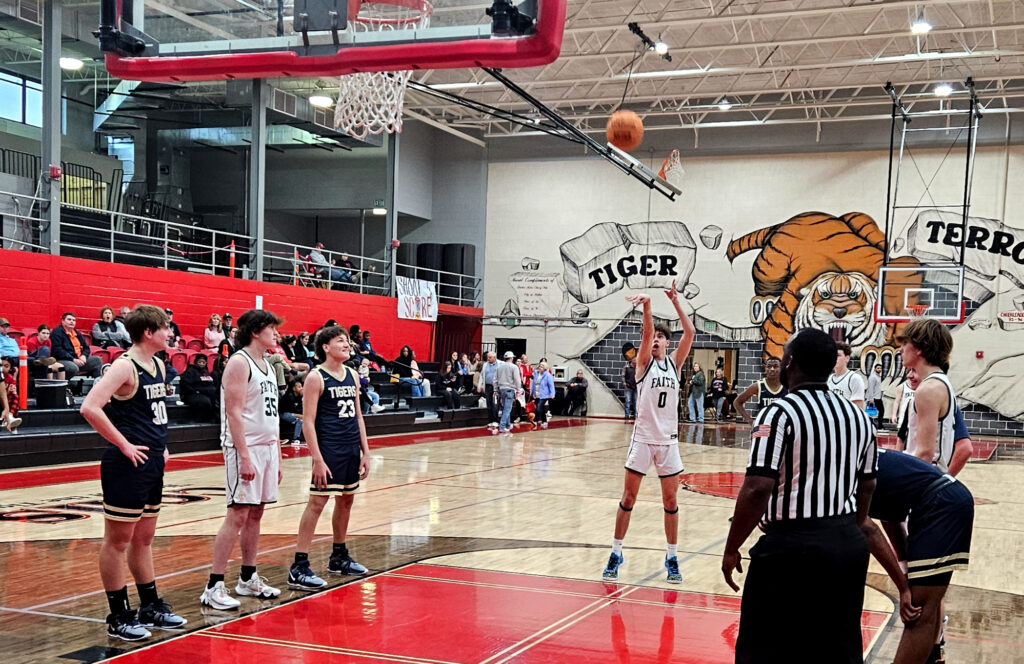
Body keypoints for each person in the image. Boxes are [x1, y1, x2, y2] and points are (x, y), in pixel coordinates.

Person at [722, 328, 877, 664]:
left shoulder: (777, 413)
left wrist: (732, 546)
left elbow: (757, 487)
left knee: (764, 648)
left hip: (792, 549)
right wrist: (855, 522)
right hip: (847, 547)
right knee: (837, 649)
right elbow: (867, 485)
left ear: (790, 362)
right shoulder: (860, 419)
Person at [79, 305, 186, 641]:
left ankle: (150, 605)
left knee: (144, 539)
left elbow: (150, 413)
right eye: (166, 328)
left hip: (151, 461)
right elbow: (90, 407)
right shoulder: (124, 365)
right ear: (148, 333)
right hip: (126, 463)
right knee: (118, 541)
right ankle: (118, 614)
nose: (170, 333)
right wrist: (125, 444)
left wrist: (160, 445)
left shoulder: (157, 364)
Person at [603, 290, 694, 584]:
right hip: (642, 439)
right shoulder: (644, 364)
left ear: (667, 342)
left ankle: (671, 557)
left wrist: (676, 301)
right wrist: (647, 306)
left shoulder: (674, 365)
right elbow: (644, 334)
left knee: (670, 501)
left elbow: (690, 331)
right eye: (652, 336)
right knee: (628, 497)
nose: (654, 339)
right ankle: (616, 553)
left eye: (660, 337)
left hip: (668, 442)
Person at [199, 309, 284, 611]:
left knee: (256, 513)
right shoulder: (239, 362)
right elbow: (233, 412)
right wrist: (245, 455)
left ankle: (248, 577)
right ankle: (214, 585)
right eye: (272, 329)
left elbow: (269, 413)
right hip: (243, 448)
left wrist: (278, 455)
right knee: (237, 513)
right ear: (255, 331)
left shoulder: (269, 364)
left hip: (267, 447)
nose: (277, 334)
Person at [860, 449, 973, 664]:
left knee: (919, 612)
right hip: (942, 499)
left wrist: (903, 587)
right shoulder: (864, 453)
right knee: (923, 608)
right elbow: (889, 519)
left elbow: (867, 529)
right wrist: (905, 570)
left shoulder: (842, 464)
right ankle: (932, 657)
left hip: (942, 505)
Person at [289, 327, 370, 590]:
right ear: (325, 347)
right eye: (340, 341)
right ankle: (299, 566)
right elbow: (308, 422)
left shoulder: (353, 375)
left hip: (349, 448)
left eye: (347, 341)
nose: (347, 345)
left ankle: (338, 556)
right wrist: (318, 459)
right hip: (329, 449)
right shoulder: (316, 377)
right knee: (317, 502)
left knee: (346, 500)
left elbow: (358, 416)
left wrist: (366, 451)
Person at [898, 319, 956, 474]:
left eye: (904, 344)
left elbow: (925, 454)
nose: (900, 349)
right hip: (931, 477)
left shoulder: (929, 389)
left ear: (919, 348)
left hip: (924, 480)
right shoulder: (940, 382)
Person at [733, 357, 787, 425]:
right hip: (763, 425)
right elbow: (737, 402)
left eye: (775, 366)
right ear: (765, 368)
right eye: (769, 366)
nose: (772, 369)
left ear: (781, 368)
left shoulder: (787, 385)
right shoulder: (758, 386)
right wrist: (750, 421)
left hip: (783, 425)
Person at [51, 312, 103, 378]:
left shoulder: (77, 333)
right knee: (72, 367)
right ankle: (64, 386)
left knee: (97, 360)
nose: (72, 322)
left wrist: (84, 355)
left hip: (78, 359)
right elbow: (57, 351)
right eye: (69, 320)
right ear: (63, 321)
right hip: (63, 360)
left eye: (73, 320)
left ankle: (97, 384)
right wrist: (73, 359)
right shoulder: (57, 333)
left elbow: (86, 347)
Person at [828, 341, 866, 409]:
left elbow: (858, 408)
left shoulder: (854, 378)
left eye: (838, 355)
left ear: (847, 358)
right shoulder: (829, 379)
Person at [179, 354, 217, 421]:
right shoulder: (190, 371)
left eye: (203, 362)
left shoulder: (206, 372)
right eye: (200, 362)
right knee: (205, 402)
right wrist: (196, 391)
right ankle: (200, 419)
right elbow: (185, 385)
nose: (201, 364)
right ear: (195, 362)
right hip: (192, 394)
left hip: (205, 393)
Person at [494, 351, 522, 433]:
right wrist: (518, 389)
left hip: (501, 389)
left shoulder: (499, 367)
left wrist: (495, 389)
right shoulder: (514, 367)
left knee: (505, 408)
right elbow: (517, 380)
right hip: (510, 389)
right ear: (511, 358)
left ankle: (508, 425)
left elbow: (495, 379)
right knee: (507, 409)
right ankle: (502, 426)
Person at [477, 351, 500, 427]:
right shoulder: (485, 364)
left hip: (496, 387)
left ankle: (495, 420)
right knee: (489, 404)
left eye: (490, 357)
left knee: (495, 404)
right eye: (488, 357)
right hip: (488, 386)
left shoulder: (500, 364)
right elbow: (482, 375)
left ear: (494, 357)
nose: (488, 358)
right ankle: (490, 421)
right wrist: (479, 385)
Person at [532, 361, 555, 429]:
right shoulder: (536, 373)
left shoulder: (548, 375)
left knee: (539, 407)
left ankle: (535, 420)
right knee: (539, 407)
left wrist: (552, 394)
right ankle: (544, 421)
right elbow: (533, 384)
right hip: (536, 393)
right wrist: (532, 392)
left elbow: (551, 385)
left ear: (545, 368)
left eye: (542, 366)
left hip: (544, 394)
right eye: (539, 366)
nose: (540, 367)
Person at [1, 358, 22, 431]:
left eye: (6, 366)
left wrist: (14, 376)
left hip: (5, 400)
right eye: (1, 365)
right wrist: (7, 392)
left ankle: (10, 416)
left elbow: (13, 389)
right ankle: (8, 419)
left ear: (10, 368)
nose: (3, 368)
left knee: (15, 397)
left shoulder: (9, 377)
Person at [280, 380, 303, 444]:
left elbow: (300, 409)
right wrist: (301, 416)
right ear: (294, 388)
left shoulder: (299, 397)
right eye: (299, 387)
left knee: (303, 419)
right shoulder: (289, 396)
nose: (302, 388)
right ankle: (295, 438)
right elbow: (293, 410)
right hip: (283, 414)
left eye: (301, 386)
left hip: (292, 414)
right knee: (299, 420)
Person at [867, 363, 884, 427]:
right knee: (873, 412)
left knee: (879, 411)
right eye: (878, 368)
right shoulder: (873, 377)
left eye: (880, 368)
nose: (879, 369)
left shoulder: (878, 376)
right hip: (874, 398)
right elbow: (870, 388)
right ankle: (878, 426)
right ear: (875, 369)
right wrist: (871, 399)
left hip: (878, 397)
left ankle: (879, 425)